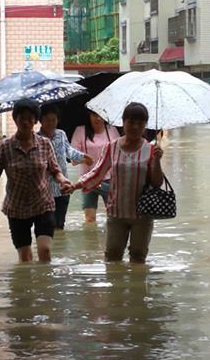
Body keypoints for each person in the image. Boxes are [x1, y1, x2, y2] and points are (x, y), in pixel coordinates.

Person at [0, 99, 72, 263]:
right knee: (25, 258)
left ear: (35, 120)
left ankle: (45, 286)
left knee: (45, 251)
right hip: (17, 209)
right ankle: (26, 287)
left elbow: (55, 170)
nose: (25, 122)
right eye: (21, 118)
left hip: (43, 205)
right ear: (15, 119)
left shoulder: (44, 144)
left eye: (30, 118)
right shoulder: (5, 147)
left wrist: (63, 181)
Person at [63, 102, 164, 264]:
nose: (136, 127)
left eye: (140, 124)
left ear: (145, 126)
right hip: (117, 213)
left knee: (138, 258)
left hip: (143, 214)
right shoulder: (112, 147)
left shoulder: (151, 150)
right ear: (123, 123)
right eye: (131, 122)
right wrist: (75, 186)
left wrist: (157, 161)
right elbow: (97, 173)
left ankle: (136, 288)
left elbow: (157, 183)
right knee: (112, 257)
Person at [38, 105, 92, 231]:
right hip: (44, 191)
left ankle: (57, 249)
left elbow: (69, 151)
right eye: (47, 119)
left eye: (54, 119)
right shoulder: (36, 139)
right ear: (40, 120)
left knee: (59, 225)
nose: (51, 123)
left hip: (63, 187)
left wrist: (83, 157)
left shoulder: (61, 134)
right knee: (47, 225)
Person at [70, 110, 121, 224]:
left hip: (109, 180)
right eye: (94, 115)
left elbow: (119, 153)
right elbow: (72, 157)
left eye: (100, 116)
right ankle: (90, 241)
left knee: (113, 218)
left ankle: (108, 241)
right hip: (87, 179)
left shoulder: (111, 130)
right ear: (89, 116)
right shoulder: (80, 131)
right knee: (89, 219)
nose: (98, 119)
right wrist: (84, 159)